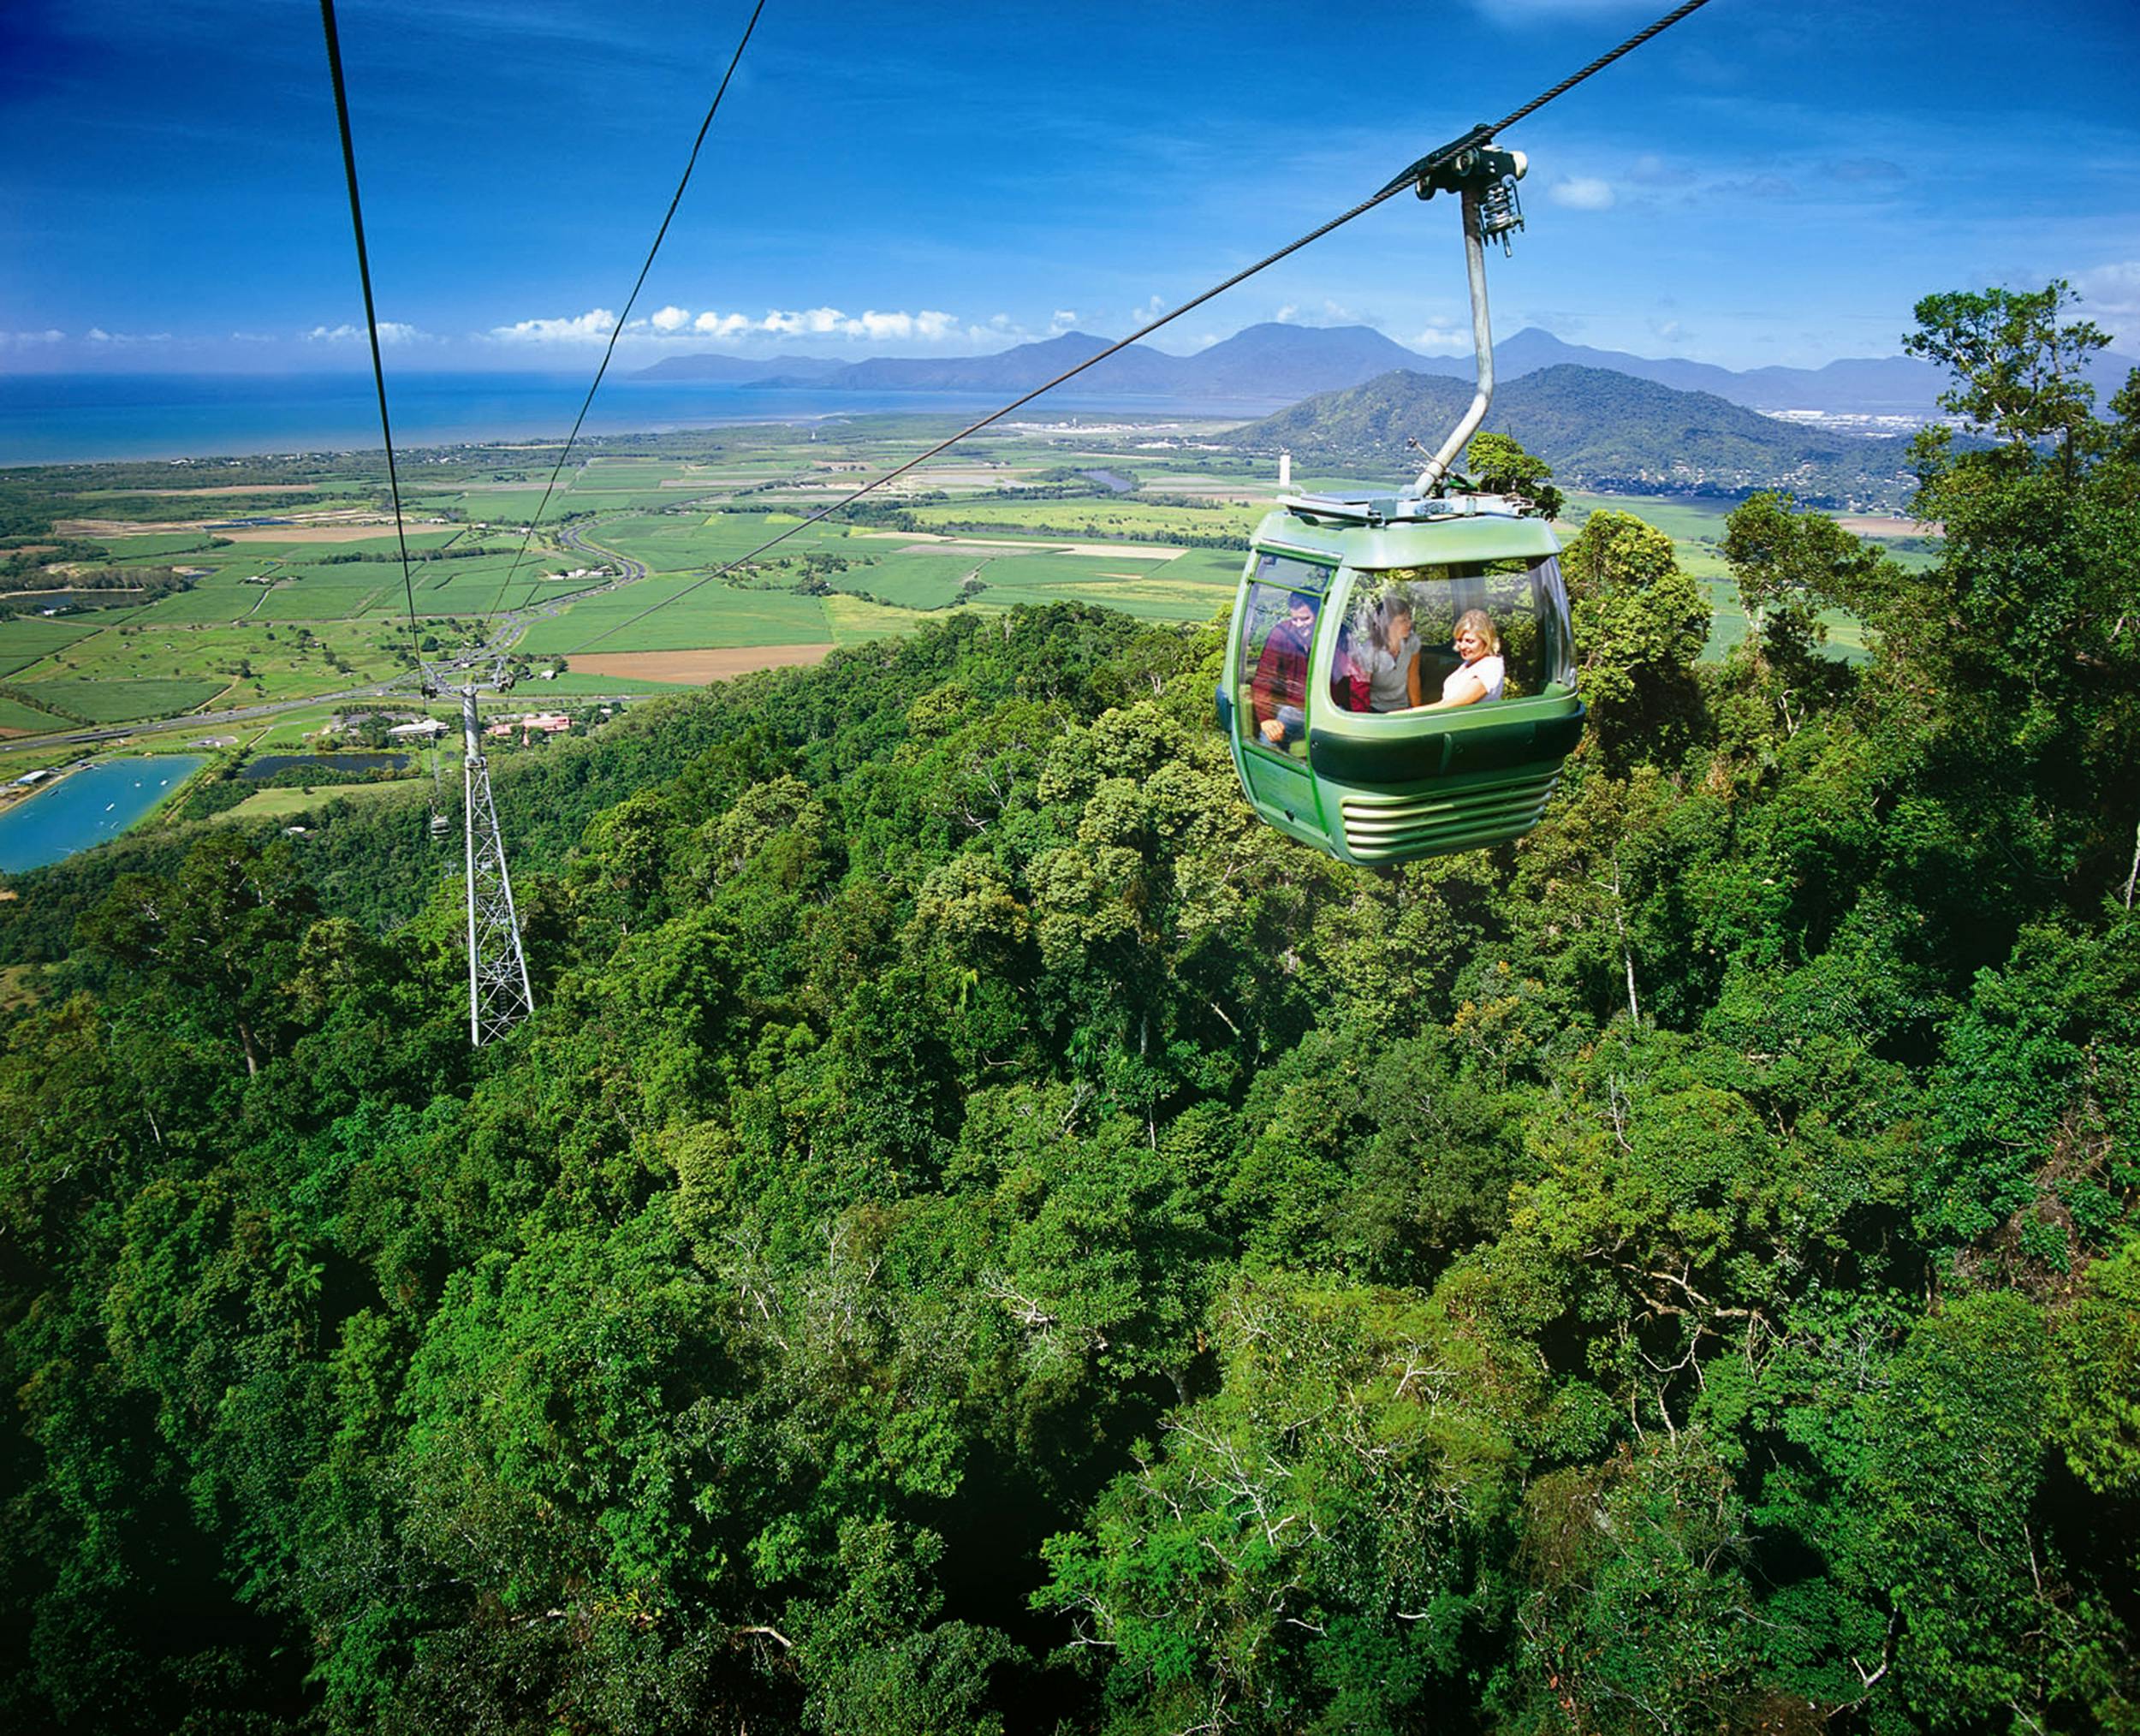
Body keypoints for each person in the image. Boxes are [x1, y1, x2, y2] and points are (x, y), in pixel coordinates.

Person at [1251, 591, 1317, 746]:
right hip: (1294, 710)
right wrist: (1266, 719)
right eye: (1295, 619)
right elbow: (1264, 679)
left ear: (1319, 614)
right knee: (1269, 740)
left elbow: (1353, 677)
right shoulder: (1281, 635)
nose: (1300, 625)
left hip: (1328, 708)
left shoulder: (1336, 634)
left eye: (1305, 618)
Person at [1353, 597, 1424, 712]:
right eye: (1403, 620)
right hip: (1376, 709)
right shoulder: (1369, 651)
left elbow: (1413, 679)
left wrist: (1418, 713)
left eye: (1409, 619)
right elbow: (1361, 691)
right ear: (1387, 624)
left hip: (1403, 708)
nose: (1409, 624)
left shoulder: (1412, 642)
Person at [1438, 609, 1504, 706]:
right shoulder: (1470, 663)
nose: (1463, 646)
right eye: (1460, 640)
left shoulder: (1490, 667)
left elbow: (1452, 705)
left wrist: (1411, 712)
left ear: (1485, 641)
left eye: (1470, 641)